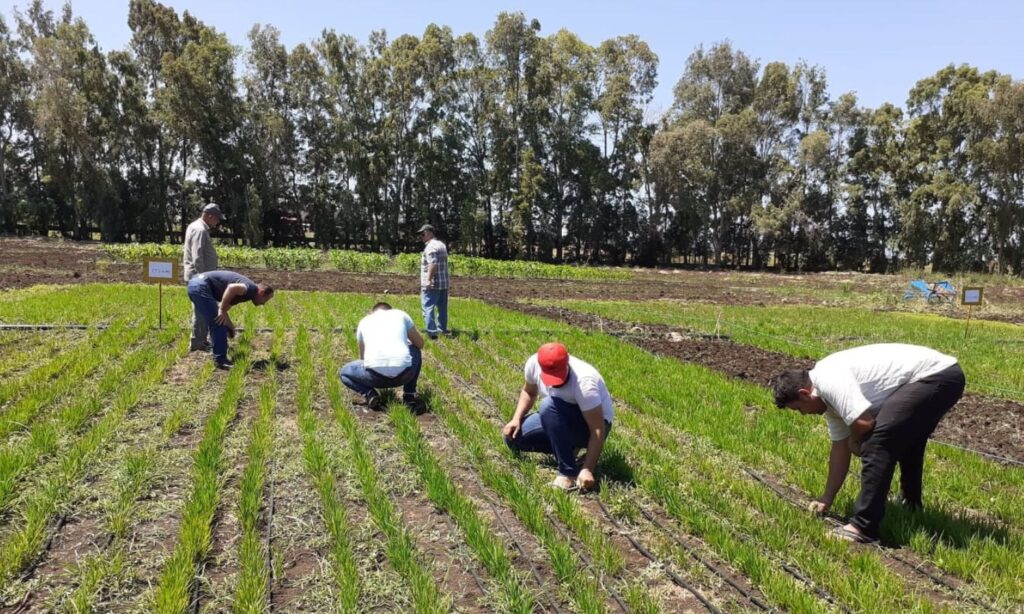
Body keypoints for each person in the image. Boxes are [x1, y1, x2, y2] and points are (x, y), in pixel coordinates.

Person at [772, 343, 965, 544]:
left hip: (936, 375)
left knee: (877, 443)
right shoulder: (828, 401)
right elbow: (840, 448)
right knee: (905, 438)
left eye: (799, 409)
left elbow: (864, 423)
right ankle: (911, 505)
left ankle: (863, 526)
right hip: (938, 374)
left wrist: (856, 440)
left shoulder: (828, 379)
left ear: (805, 393)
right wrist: (826, 498)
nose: (803, 414)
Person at [503, 343, 613, 491]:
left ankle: (568, 473)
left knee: (547, 406)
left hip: (590, 426)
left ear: (567, 362)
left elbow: (598, 429)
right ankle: (568, 448)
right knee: (513, 438)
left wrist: (588, 468)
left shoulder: (584, 382)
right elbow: (529, 392)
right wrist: (516, 419)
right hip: (559, 416)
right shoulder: (533, 363)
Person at [340, 302, 426, 414]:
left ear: (372, 312)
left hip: (375, 378)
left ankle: (370, 394)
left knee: (344, 373)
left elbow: (363, 358)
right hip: (405, 375)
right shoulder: (401, 315)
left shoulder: (364, 321)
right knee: (415, 350)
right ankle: (409, 396)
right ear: (390, 310)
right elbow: (420, 344)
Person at [186, 270, 274, 369]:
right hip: (200, 286)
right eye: (265, 300)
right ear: (261, 292)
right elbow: (231, 288)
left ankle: (220, 356)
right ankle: (221, 360)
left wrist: (230, 326)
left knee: (220, 320)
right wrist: (222, 310)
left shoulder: (243, 295)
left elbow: (224, 310)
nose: (263, 304)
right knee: (218, 323)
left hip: (197, 284)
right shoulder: (251, 288)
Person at [182, 203, 225, 351]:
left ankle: (200, 339)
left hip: (198, 276)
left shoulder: (195, 227)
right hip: (199, 277)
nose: (218, 222)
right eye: (217, 219)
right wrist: (203, 278)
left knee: (202, 309)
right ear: (209, 216)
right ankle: (197, 342)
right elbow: (197, 257)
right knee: (201, 310)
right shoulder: (200, 230)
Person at [417, 224, 449, 339]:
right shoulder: (441, 245)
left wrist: (429, 280)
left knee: (428, 307)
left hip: (433, 284)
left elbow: (433, 264)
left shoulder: (430, 247)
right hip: (443, 283)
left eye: (422, 234)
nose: (421, 237)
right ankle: (442, 330)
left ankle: (432, 333)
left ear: (429, 232)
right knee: (442, 308)